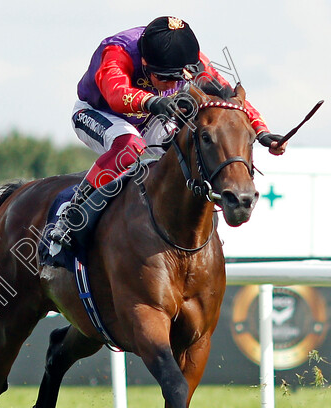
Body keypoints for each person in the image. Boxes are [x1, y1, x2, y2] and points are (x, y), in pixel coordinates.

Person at [47, 16, 287, 262]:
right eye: (164, 78)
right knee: (130, 146)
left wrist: (262, 131)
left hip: (151, 116)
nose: (171, 85)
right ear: (143, 62)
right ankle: (72, 212)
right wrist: (153, 101)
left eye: (177, 79)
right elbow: (115, 93)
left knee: (186, 146)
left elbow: (231, 101)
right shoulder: (116, 51)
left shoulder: (193, 60)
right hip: (98, 112)